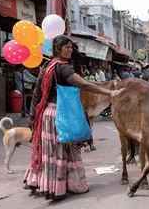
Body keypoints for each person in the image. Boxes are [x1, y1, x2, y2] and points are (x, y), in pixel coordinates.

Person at [24, 35, 122, 200]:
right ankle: (60, 188)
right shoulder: (63, 68)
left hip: (47, 113)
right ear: (57, 49)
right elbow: (84, 84)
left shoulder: (47, 66)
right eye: (66, 47)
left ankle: (45, 184)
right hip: (60, 114)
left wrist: (32, 115)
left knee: (50, 151)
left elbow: (37, 93)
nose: (70, 50)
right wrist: (110, 92)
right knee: (64, 150)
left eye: (71, 47)